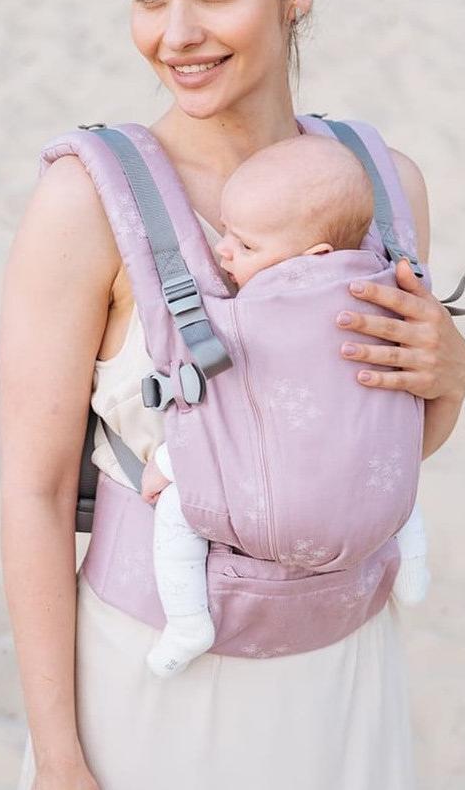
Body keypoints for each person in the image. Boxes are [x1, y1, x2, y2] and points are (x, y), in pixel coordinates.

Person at [0, 0, 465, 789]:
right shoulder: (88, 202)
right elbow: (36, 492)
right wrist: (57, 755)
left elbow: (346, 453)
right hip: (152, 689)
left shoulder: (388, 190)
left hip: (344, 677)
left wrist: (454, 381)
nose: (176, 34)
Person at [139, 133, 431, 679]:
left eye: (245, 245)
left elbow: (237, 429)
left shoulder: (264, 316)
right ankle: (412, 565)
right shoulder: (380, 287)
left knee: (179, 513)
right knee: (392, 467)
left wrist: (167, 464)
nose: (223, 252)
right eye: (225, 232)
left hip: (280, 506)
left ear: (313, 256)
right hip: (372, 496)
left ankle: (186, 621)